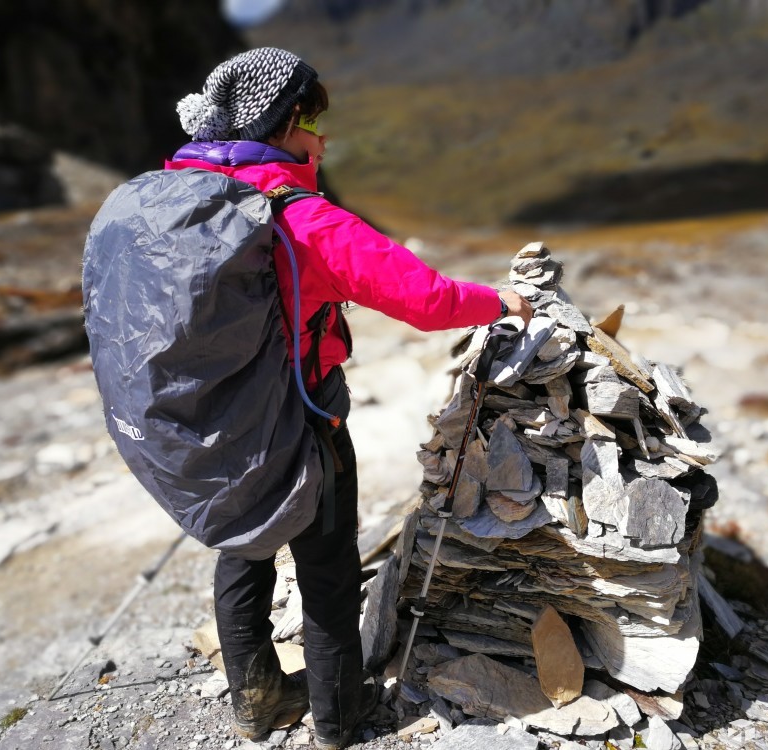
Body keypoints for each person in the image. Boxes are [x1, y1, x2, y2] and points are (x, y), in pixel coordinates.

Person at [168, 47, 532, 750]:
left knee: (242, 548)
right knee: (327, 564)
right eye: (311, 119)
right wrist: (502, 301)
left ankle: (257, 703)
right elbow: (423, 298)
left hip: (221, 420)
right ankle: (339, 720)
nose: (323, 137)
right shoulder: (304, 218)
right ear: (278, 124)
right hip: (302, 415)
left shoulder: (185, 196)